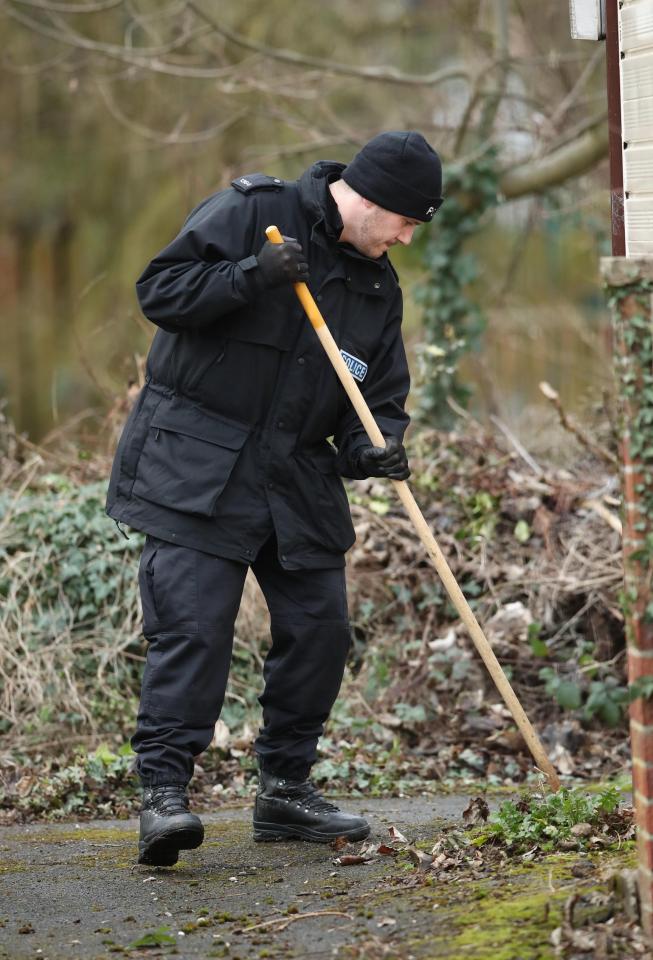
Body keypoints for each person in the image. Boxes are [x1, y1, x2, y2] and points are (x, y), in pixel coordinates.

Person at [106, 131, 443, 867]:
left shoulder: (377, 287)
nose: (408, 239)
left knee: (321, 629)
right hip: (198, 466)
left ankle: (285, 792)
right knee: (193, 630)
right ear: (369, 199)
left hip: (295, 478)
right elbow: (157, 293)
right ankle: (163, 797)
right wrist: (251, 276)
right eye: (405, 222)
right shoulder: (252, 212)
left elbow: (375, 400)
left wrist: (374, 449)